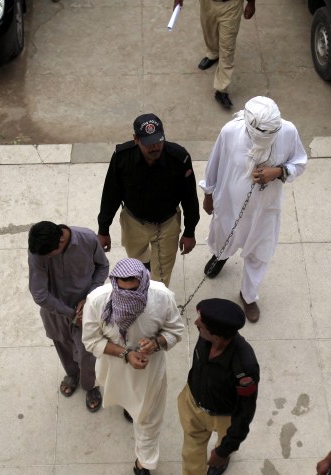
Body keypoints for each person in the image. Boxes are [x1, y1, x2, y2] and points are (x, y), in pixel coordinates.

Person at [199, 96, 307, 323]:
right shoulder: (230, 131)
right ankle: (220, 257)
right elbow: (215, 163)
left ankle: (248, 295)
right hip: (230, 204)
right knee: (223, 237)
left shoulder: (288, 132)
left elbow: (299, 162)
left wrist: (277, 172)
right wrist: (208, 195)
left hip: (265, 209)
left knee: (260, 252)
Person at [82, 258, 185, 475]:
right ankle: (128, 407)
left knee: (147, 420)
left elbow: (175, 330)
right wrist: (125, 355)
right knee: (127, 401)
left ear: (144, 283)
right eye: (122, 291)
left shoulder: (162, 296)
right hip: (115, 369)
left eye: (134, 291)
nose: (127, 297)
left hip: (150, 372)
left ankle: (143, 464)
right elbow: (91, 340)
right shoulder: (97, 300)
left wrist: (157, 343)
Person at [176, 298, 259, 475]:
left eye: (201, 323)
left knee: (223, 447)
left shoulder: (245, 366)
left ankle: (224, 456)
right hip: (193, 406)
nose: (196, 323)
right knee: (192, 460)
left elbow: (245, 414)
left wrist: (223, 451)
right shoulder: (206, 337)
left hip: (225, 417)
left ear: (218, 336)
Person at [97, 114, 200, 288]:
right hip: (133, 221)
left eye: (159, 140)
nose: (155, 147)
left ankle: (155, 303)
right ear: (136, 139)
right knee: (137, 262)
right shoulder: (122, 157)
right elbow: (110, 194)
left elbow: (190, 197)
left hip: (166, 224)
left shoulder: (179, 158)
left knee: (160, 279)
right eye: (148, 142)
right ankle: (146, 268)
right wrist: (103, 229)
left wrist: (189, 231)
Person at [28, 221, 110, 411]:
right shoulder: (38, 253)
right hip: (56, 310)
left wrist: (90, 297)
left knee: (88, 352)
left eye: (49, 256)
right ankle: (72, 374)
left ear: (59, 242)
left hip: (87, 310)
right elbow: (40, 294)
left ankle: (90, 385)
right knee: (62, 344)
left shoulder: (88, 239)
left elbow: (102, 267)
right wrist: (71, 313)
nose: (44, 260)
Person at [173, 0, 256, 109]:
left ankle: (222, 89)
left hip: (232, 5)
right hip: (207, 3)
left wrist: (251, 3)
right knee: (209, 33)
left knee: (227, 49)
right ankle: (213, 53)